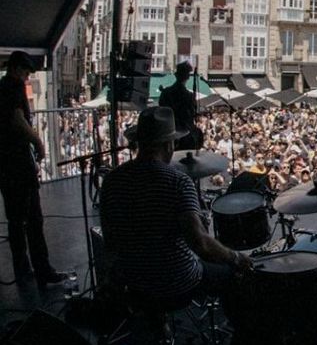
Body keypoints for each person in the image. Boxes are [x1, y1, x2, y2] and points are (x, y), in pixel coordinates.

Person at [100, 107, 251, 307]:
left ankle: (156, 321)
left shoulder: (111, 181)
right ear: (169, 145)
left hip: (133, 283)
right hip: (177, 283)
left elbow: (110, 240)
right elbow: (201, 245)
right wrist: (236, 258)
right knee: (236, 275)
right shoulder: (178, 182)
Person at [0, 51, 67, 288]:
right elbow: (18, 119)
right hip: (18, 163)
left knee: (15, 219)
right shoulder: (14, 87)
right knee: (34, 219)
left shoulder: (1, 86)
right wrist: (38, 142)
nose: (27, 78)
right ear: (18, 69)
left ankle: (22, 269)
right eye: (27, 73)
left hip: (5, 165)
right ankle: (43, 270)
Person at [159, 60, 202, 150]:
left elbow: (161, 112)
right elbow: (191, 115)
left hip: (168, 133)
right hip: (185, 134)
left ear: (176, 75)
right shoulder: (189, 95)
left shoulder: (166, 92)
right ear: (187, 77)